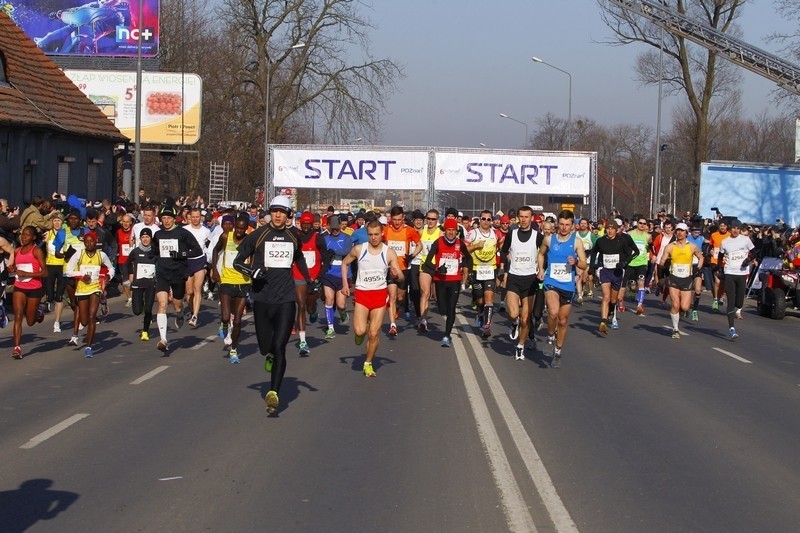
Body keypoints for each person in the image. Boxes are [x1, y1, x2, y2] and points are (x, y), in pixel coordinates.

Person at [233, 195, 313, 414]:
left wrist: (308, 280)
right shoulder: (258, 235)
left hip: (286, 298)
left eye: (282, 212)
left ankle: (273, 392)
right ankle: (268, 354)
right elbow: (237, 261)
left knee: (280, 347)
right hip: (261, 298)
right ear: (270, 213)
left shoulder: (293, 237)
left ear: (288, 215)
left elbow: (299, 259)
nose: (278, 215)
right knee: (265, 348)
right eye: (274, 211)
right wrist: (252, 272)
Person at [342, 220, 404, 375]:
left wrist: (397, 275)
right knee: (360, 330)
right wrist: (345, 283)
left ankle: (368, 363)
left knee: (374, 334)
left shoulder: (388, 252)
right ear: (367, 234)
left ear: (382, 234)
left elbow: (402, 278)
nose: (374, 238)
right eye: (370, 235)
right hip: (362, 295)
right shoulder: (359, 249)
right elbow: (344, 263)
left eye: (376, 234)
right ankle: (360, 334)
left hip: (379, 296)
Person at [537, 210, 587, 368]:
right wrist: (540, 269)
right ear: (557, 224)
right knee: (553, 312)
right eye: (562, 224)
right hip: (551, 281)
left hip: (567, 284)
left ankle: (558, 351)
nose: (564, 228)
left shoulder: (576, 242)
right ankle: (550, 336)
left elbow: (585, 264)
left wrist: (576, 261)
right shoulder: (549, 239)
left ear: (572, 225)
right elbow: (541, 254)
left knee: (563, 320)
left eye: (567, 225)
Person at [151, 205, 203, 354]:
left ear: (174, 219)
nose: (166, 221)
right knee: (162, 303)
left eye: (169, 218)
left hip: (178, 273)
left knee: (177, 305)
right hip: (162, 273)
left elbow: (197, 250)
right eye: (164, 218)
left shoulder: (183, 233)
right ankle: (163, 339)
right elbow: (155, 251)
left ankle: (180, 314)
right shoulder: (158, 234)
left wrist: (182, 254)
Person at [499, 205, 543, 360]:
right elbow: (503, 251)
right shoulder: (512, 233)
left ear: (531, 218)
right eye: (521, 217)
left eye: (527, 217)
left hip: (530, 280)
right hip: (514, 277)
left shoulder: (537, 235)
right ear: (518, 218)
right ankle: (513, 323)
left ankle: (520, 346)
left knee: (526, 319)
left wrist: (541, 269)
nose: (524, 220)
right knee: (513, 313)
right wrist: (506, 264)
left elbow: (544, 253)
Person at [64, 231, 115, 357]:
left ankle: (88, 347)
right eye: (86, 241)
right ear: (84, 243)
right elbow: (68, 271)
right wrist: (81, 276)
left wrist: (109, 276)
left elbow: (111, 268)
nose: (89, 243)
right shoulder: (79, 254)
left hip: (95, 288)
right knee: (85, 321)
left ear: (96, 242)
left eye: (91, 241)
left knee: (92, 317)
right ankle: (85, 333)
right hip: (82, 289)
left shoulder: (101, 255)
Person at [421, 218, 469, 347]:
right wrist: (437, 269)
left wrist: (462, 264)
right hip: (440, 280)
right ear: (444, 230)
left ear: (456, 231)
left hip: (454, 281)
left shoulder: (460, 243)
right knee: (442, 309)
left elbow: (469, 258)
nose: (451, 232)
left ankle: (447, 336)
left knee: (451, 308)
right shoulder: (438, 242)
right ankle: (446, 315)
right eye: (449, 230)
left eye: (453, 230)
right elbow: (427, 261)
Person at [211, 215, 252, 363]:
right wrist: (215, 270)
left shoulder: (249, 240)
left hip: (243, 282)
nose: (239, 231)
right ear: (234, 227)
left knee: (238, 321)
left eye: (242, 228)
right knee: (225, 317)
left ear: (246, 228)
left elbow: (254, 258)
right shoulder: (225, 237)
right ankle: (223, 325)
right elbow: (216, 251)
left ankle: (234, 350)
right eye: (238, 228)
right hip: (226, 281)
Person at [590, 219, 639, 335]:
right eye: (608, 228)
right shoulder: (601, 241)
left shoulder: (621, 241)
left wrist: (624, 263)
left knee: (613, 299)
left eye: (612, 229)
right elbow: (593, 252)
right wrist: (592, 266)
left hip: (617, 272)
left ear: (616, 230)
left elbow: (631, 253)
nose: (610, 231)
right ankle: (603, 321)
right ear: (605, 229)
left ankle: (611, 310)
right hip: (605, 271)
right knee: (606, 297)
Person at [658, 222, 704, 339]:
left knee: (684, 307)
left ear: (686, 233)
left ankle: (681, 313)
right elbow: (662, 261)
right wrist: (662, 263)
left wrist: (698, 268)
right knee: (675, 304)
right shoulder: (670, 246)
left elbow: (701, 257)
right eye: (678, 230)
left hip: (687, 279)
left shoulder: (692, 246)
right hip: (674, 278)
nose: (679, 232)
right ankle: (675, 329)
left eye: (682, 231)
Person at [292, 212, 327, 355]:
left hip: (314, 279)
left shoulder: (318, 238)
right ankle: (302, 341)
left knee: (310, 307)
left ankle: (313, 310)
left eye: (308, 223)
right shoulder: (295, 237)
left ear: (312, 224)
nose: (306, 226)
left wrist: (319, 277)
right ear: (300, 223)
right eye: (303, 223)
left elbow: (326, 259)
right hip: (299, 276)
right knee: (300, 306)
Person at [466, 209, 504, 339]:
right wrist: (476, 246)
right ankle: (480, 312)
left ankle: (487, 325)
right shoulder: (472, 233)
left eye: (489, 219)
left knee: (489, 297)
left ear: (491, 221)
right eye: (483, 219)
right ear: (479, 220)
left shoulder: (496, 234)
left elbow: (501, 246)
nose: (486, 221)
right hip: (476, 270)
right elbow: (464, 249)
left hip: (490, 270)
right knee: (480, 299)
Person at [8, 227, 46, 359]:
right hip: (19, 287)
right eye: (22, 235)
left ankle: (39, 312)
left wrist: (27, 274)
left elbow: (44, 273)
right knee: (18, 316)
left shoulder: (37, 251)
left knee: (30, 321)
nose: (23, 237)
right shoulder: (17, 250)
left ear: (34, 237)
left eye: (27, 235)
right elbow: (14, 270)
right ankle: (17, 348)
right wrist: (12, 269)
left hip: (34, 288)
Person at [383, 206, 421, 336]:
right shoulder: (386, 230)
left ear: (403, 218)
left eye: (399, 219)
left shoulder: (409, 231)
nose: (397, 223)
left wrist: (413, 255)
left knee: (400, 297)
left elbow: (419, 245)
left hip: (404, 269)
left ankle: (398, 307)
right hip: (390, 268)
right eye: (394, 220)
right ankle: (393, 325)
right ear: (391, 218)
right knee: (392, 297)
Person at [718, 220, 756, 339]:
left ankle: (737, 309)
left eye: (737, 228)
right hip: (729, 272)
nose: (735, 230)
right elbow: (720, 256)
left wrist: (748, 260)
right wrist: (720, 270)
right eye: (733, 228)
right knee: (731, 301)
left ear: (740, 229)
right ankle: (732, 328)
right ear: (730, 229)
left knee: (739, 302)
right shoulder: (725, 242)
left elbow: (755, 252)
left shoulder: (745, 240)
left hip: (742, 273)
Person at [321, 214, 352, 339]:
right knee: (329, 300)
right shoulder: (324, 238)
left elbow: (346, 251)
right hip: (328, 274)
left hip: (342, 275)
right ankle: (330, 328)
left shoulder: (347, 238)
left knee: (341, 304)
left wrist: (333, 252)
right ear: (328, 227)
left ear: (341, 226)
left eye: (337, 228)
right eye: (332, 228)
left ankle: (343, 314)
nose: (335, 231)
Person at [127, 227, 157, 341]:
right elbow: (126, 264)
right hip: (137, 284)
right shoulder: (135, 251)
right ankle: (142, 307)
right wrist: (130, 274)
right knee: (137, 311)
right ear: (140, 239)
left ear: (151, 238)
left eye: (147, 237)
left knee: (149, 310)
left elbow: (160, 264)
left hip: (150, 284)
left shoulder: (155, 251)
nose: (145, 239)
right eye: (143, 237)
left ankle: (145, 331)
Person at [619, 215, 652, 316]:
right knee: (632, 286)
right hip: (630, 263)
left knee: (641, 282)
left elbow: (650, 247)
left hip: (642, 263)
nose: (642, 225)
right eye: (640, 223)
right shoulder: (629, 234)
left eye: (644, 224)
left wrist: (651, 255)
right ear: (637, 224)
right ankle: (620, 301)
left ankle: (639, 305)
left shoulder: (648, 236)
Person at [184, 207, 211, 328]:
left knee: (197, 288)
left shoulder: (206, 231)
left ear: (201, 217)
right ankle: (191, 311)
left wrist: (208, 262)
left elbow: (209, 247)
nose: (195, 219)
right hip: (187, 261)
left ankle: (195, 315)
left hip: (200, 261)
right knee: (189, 292)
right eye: (193, 217)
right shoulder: (184, 230)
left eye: (197, 217)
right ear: (189, 217)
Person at [416, 209, 442, 332]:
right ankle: (423, 320)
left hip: (437, 266)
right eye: (429, 219)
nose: (430, 221)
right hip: (425, 265)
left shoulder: (440, 233)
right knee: (425, 292)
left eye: (433, 219)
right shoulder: (422, 232)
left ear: (438, 220)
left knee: (438, 296)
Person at [43, 212, 67, 332]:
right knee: (50, 293)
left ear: (62, 222)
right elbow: (40, 247)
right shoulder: (48, 234)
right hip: (50, 265)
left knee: (59, 296)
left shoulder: (65, 234)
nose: (57, 223)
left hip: (62, 266)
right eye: (55, 221)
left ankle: (57, 322)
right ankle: (49, 300)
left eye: (59, 221)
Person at [708, 220, 730, 312]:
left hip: (726, 262)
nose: (723, 228)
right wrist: (710, 251)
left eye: (724, 226)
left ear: (727, 227)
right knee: (717, 282)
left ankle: (720, 296)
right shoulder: (714, 235)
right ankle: (716, 300)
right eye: (721, 226)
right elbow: (709, 246)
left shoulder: (730, 235)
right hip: (715, 261)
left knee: (723, 282)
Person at [115, 213, 135, 308]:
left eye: (127, 222)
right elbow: (115, 244)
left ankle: (136, 297)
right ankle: (129, 298)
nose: (126, 224)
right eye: (124, 222)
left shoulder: (134, 231)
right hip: (122, 260)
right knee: (125, 281)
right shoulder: (118, 232)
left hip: (132, 260)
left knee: (132, 280)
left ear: (131, 222)